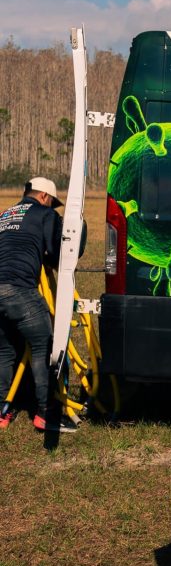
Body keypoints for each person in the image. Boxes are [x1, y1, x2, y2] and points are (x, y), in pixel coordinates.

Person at [0, 177, 77, 433]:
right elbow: (56, 253)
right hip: (19, 288)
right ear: (45, 197)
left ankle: (3, 410)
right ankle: (47, 413)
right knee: (44, 345)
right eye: (52, 203)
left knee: (5, 352)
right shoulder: (45, 214)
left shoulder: (6, 213)